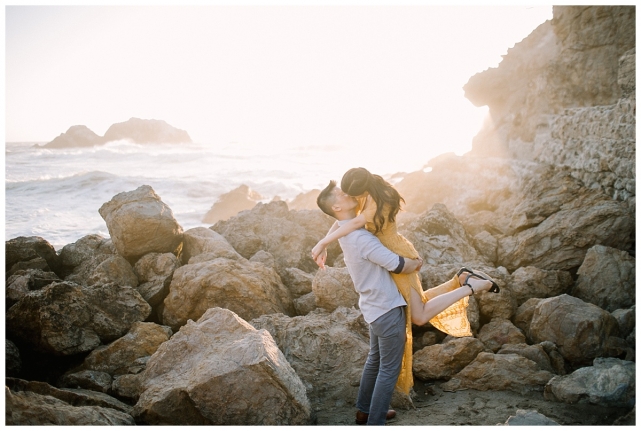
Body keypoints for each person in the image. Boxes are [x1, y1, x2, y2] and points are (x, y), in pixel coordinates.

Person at [315, 181, 495, 425]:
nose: (348, 193)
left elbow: (338, 223)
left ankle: (364, 411)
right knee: (388, 369)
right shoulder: (359, 238)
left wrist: (324, 242)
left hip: (373, 306)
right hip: (387, 308)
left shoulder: (346, 230)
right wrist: (416, 264)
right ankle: (374, 422)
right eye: (341, 193)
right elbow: (397, 264)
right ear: (337, 206)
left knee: (375, 359)